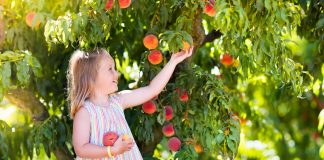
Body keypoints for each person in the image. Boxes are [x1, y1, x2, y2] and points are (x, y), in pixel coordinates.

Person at [68, 47, 193, 159]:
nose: (116, 73)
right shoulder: (85, 112)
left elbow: (152, 90)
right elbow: (81, 149)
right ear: (91, 78)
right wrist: (112, 151)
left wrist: (173, 62)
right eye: (110, 69)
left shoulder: (118, 101)